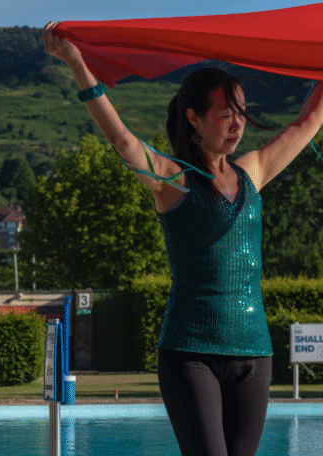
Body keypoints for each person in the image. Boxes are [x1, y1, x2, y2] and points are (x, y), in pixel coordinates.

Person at [43, 22, 323, 456]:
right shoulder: (174, 181)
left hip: (255, 352)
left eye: (241, 113)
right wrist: (77, 65)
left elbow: (307, 124)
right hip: (189, 353)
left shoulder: (253, 172)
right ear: (194, 118)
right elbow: (121, 139)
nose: (237, 124)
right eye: (225, 113)